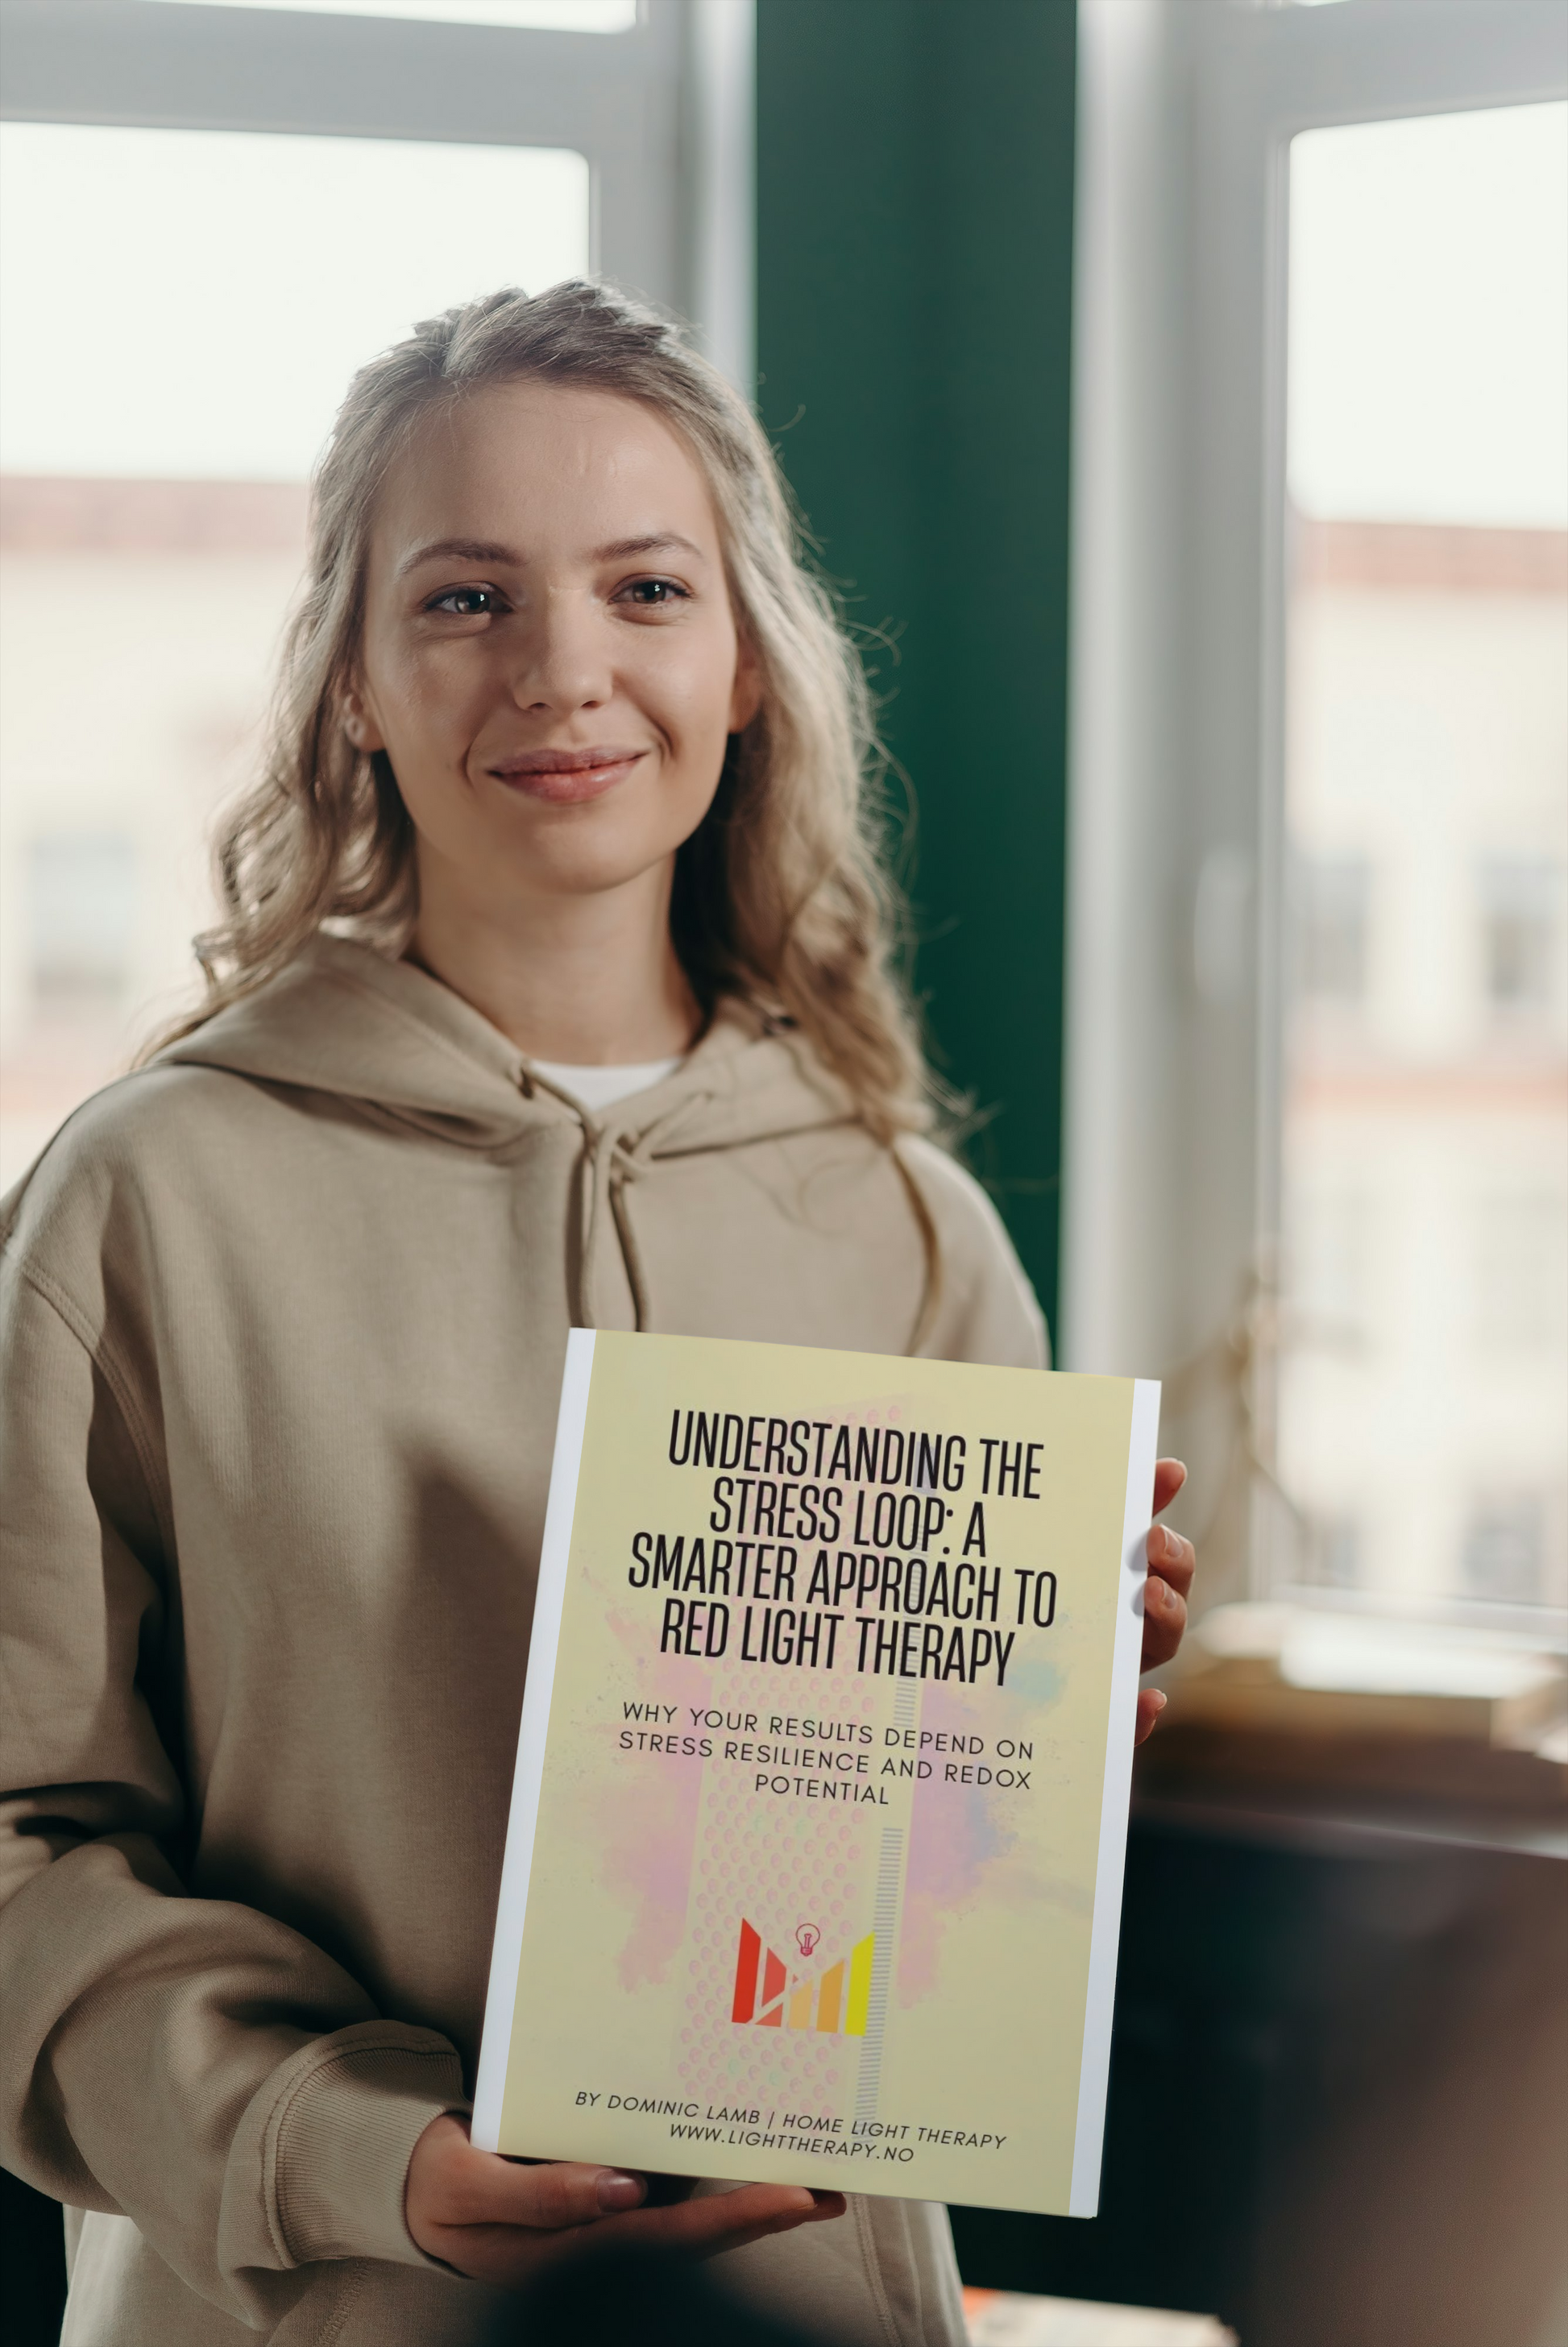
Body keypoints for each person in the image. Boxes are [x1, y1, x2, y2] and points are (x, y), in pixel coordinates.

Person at [0, 282, 1195, 2347]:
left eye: (644, 587)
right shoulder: (146, 1199)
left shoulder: (904, 1227)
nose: (565, 669)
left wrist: (1044, 1735)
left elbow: (932, 1918)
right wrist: (352, 2144)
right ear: (353, 688)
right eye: (466, 598)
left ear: (741, 667)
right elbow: (20, 1846)